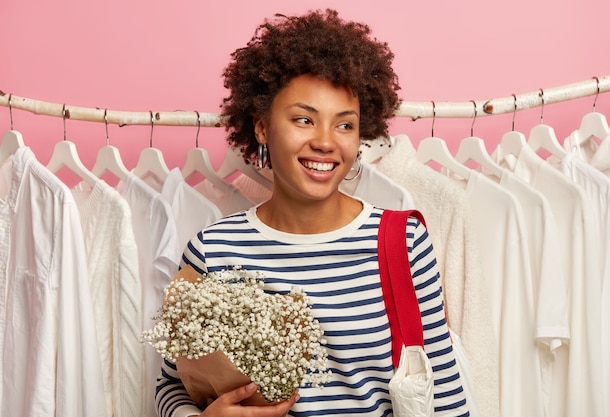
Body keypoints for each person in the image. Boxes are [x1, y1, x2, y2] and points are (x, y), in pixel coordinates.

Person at [155, 8, 470, 417]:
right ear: (263, 127)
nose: (325, 142)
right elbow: (171, 384)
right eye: (304, 119)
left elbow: (444, 395)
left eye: (344, 125)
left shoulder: (403, 242)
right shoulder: (212, 250)